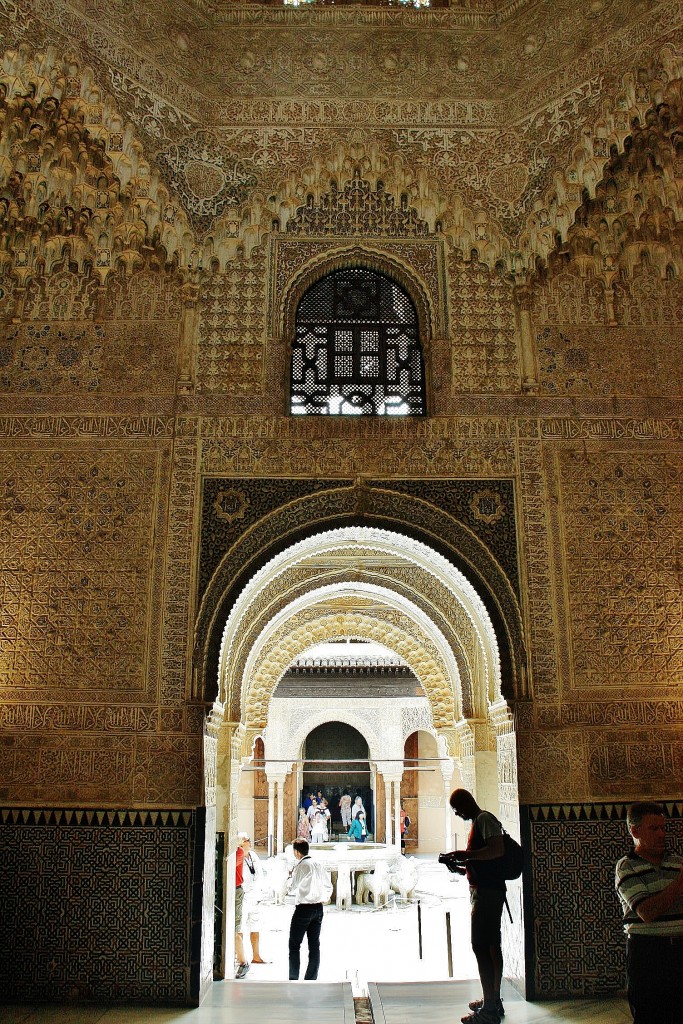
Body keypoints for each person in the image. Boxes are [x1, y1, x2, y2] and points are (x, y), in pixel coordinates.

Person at [615, 801, 683, 1024]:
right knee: (650, 1015)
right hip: (647, 953)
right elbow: (647, 912)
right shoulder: (626, 867)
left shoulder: (678, 863)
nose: (661, 834)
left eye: (663, 828)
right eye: (653, 828)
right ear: (634, 831)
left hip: (680, 950)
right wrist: (679, 884)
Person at [447, 788, 506, 1024]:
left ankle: (490, 1009)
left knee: (481, 946)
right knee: (490, 946)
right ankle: (493, 999)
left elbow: (497, 850)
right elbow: (484, 862)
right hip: (486, 889)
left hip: (488, 893)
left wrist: (465, 854)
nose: (457, 814)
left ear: (465, 804)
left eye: (457, 809)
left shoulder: (484, 819)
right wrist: (461, 867)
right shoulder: (478, 822)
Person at [287, 838, 333, 980]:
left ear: (297, 852)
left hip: (304, 909)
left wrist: (289, 877)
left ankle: (294, 978)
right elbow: (329, 885)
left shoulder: (302, 865)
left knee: (294, 945)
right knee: (314, 945)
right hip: (318, 908)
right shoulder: (318, 864)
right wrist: (325, 897)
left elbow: (291, 888)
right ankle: (311, 979)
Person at [238, 833, 268, 965]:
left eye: (249, 840)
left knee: (255, 927)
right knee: (240, 928)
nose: (249, 842)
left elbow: (260, 874)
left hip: (256, 897)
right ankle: (239, 957)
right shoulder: (238, 857)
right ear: (240, 843)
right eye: (246, 840)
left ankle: (256, 956)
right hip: (243, 897)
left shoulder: (253, 856)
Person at [234, 838, 249, 979]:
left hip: (235, 891)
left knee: (235, 929)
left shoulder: (238, 851)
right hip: (230, 890)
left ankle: (243, 962)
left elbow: (229, 865)